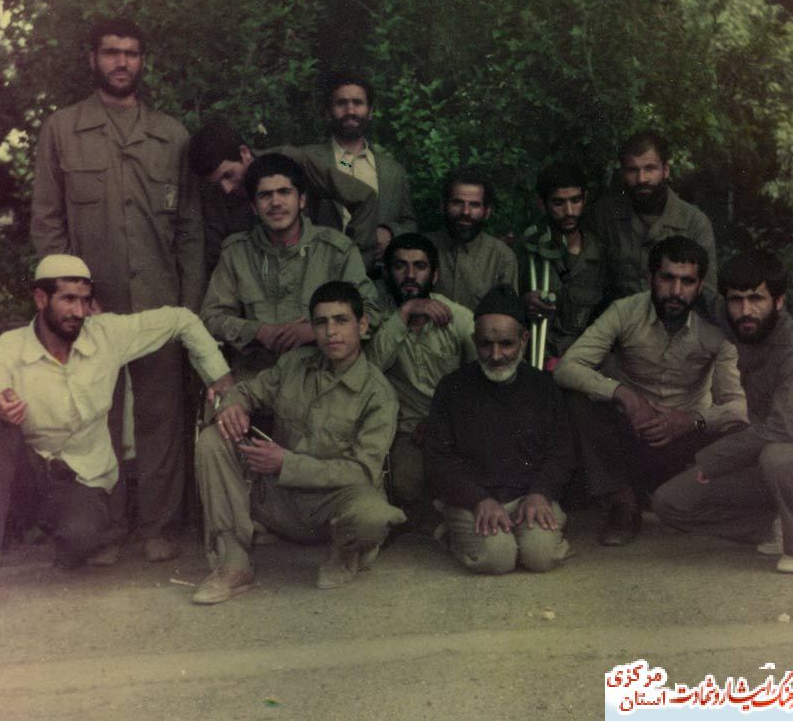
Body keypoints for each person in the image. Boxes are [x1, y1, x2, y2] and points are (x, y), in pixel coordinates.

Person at [0, 256, 233, 611]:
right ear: (41, 299)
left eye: (85, 300)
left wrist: (220, 376)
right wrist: (1, 404)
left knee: (80, 538)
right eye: (68, 299)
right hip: (26, 476)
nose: (79, 311)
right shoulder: (10, 346)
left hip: (82, 476)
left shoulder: (106, 334)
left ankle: (63, 536)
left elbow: (181, 319)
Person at [29, 18, 204, 563]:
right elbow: (48, 223)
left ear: (143, 61)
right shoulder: (62, 130)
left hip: (158, 299)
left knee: (160, 417)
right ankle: (105, 529)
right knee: (93, 417)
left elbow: (190, 230)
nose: (121, 62)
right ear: (93, 59)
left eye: (131, 53)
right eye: (111, 52)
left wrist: (188, 308)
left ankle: (158, 527)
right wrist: (71, 298)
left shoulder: (171, 136)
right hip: (91, 307)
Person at [192, 281, 406, 603]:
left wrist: (286, 464)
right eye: (321, 322)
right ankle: (234, 562)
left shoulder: (378, 394)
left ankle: (345, 553)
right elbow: (247, 390)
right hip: (280, 499)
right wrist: (234, 405)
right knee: (214, 439)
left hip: (332, 508)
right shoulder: (295, 363)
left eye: (341, 320)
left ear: (362, 326)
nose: (331, 331)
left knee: (373, 515)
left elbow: (362, 472)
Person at [653, 250, 793, 573]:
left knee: (778, 455)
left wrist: (714, 459)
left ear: (779, 301)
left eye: (756, 299)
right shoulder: (741, 323)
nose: (745, 310)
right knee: (670, 502)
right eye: (736, 300)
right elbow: (703, 297)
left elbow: (781, 430)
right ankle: (771, 526)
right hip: (764, 461)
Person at [554, 236, 746, 546]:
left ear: (700, 286)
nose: (676, 291)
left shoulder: (718, 329)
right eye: (667, 278)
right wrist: (625, 396)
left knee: (737, 428)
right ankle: (622, 503)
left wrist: (692, 420)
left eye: (687, 281)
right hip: (630, 431)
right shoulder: (625, 311)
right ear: (650, 278)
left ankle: (693, 498)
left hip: (686, 438)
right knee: (576, 400)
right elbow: (567, 367)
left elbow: (738, 406)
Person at [426, 285, 575, 574]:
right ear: (474, 340)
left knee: (540, 557)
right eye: (485, 344)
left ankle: (525, 534)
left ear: (524, 340)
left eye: (506, 344)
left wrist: (541, 493)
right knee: (498, 559)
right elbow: (438, 460)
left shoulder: (543, 387)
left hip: (528, 496)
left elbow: (562, 453)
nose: (495, 355)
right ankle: (453, 532)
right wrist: (477, 500)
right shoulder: (452, 387)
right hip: (472, 499)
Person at [200, 153, 381, 379]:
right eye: (265, 195)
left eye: (284, 192)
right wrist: (258, 331)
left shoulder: (336, 250)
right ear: (254, 207)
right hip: (256, 380)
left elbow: (370, 312)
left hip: (322, 379)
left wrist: (315, 329)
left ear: (302, 200)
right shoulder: (236, 252)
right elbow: (212, 318)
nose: (276, 202)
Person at [365, 233, 477, 524]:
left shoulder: (459, 318)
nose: (410, 275)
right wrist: (404, 313)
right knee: (406, 485)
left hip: (456, 423)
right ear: (387, 273)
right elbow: (368, 371)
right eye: (400, 266)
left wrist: (440, 422)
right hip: (406, 429)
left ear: (435, 275)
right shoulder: (377, 317)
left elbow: (482, 380)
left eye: (420, 266)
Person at [186, 119, 380, 272]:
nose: (226, 188)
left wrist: (354, 265)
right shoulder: (216, 195)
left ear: (244, 153)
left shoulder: (292, 160)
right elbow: (217, 261)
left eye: (228, 175)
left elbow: (364, 197)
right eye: (217, 182)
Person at [286, 72, 418, 263]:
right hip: (319, 268)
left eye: (357, 102)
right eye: (341, 103)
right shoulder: (306, 159)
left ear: (370, 112)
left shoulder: (393, 170)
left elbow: (410, 223)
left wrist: (390, 232)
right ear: (327, 112)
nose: (350, 110)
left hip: (376, 274)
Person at [592, 130, 717, 305]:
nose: (641, 179)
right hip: (621, 318)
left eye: (650, 168)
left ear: (665, 170)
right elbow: (590, 281)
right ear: (623, 172)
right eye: (633, 170)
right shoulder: (605, 215)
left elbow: (707, 294)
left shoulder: (694, 222)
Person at [517, 160, 605, 363]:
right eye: (558, 203)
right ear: (542, 204)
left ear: (585, 199)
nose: (570, 211)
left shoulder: (600, 254)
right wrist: (522, 303)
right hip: (533, 358)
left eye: (576, 200)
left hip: (580, 362)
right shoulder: (525, 250)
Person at [427, 166, 518, 312]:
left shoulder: (502, 257)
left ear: (487, 212)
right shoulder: (423, 248)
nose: (465, 212)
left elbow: (506, 317)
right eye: (457, 202)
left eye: (474, 205)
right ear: (443, 206)